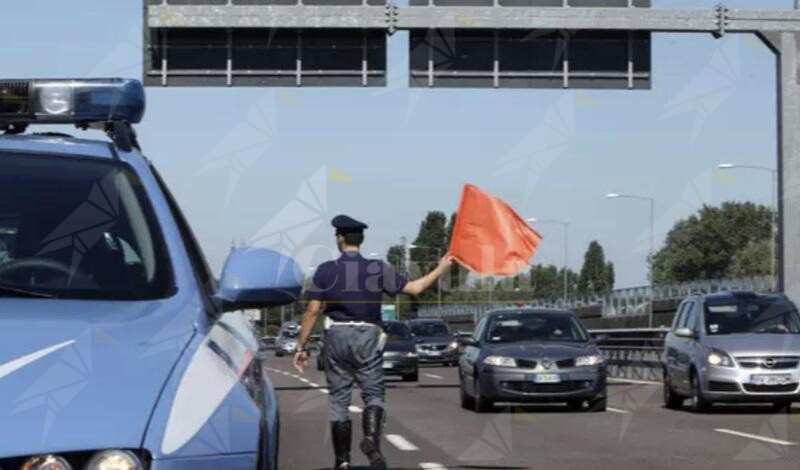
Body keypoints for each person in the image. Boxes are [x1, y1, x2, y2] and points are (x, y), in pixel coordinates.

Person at [293, 214, 452, 470]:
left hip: (336, 335)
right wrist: (442, 268)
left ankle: (342, 462)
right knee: (374, 394)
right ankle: (370, 439)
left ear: (340, 239)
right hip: (368, 336)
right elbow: (414, 289)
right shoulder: (377, 269)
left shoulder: (325, 270)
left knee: (338, 400)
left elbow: (312, 311)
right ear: (362, 240)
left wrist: (302, 347)